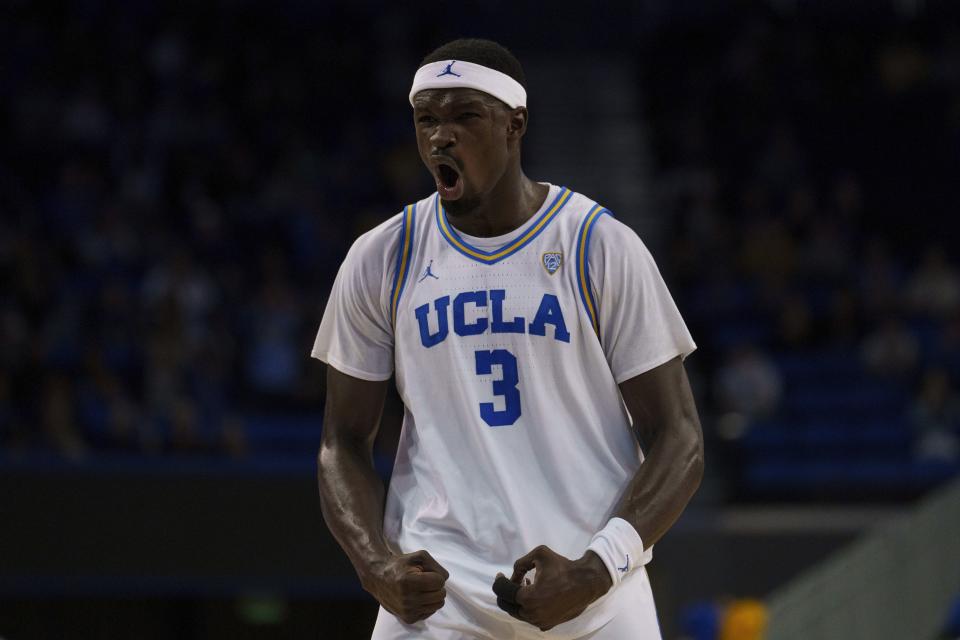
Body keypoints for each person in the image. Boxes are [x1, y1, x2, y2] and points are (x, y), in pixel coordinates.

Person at [314, 38, 704, 639]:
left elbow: (680, 438)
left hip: (593, 590)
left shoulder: (597, 244)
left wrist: (598, 569)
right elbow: (341, 443)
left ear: (514, 124)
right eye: (427, 121)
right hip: (440, 597)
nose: (441, 137)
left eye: (464, 116)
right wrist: (375, 565)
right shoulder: (381, 258)